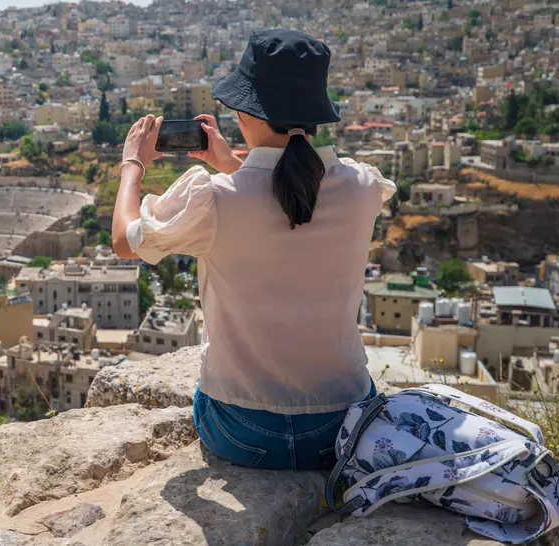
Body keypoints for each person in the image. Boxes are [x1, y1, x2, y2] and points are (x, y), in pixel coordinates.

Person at [112, 29, 396, 471]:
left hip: (241, 430)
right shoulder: (361, 188)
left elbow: (125, 240)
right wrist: (229, 164)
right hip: (341, 428)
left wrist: (133, 164)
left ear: (249, 113)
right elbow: (284, 199)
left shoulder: (217, 200)